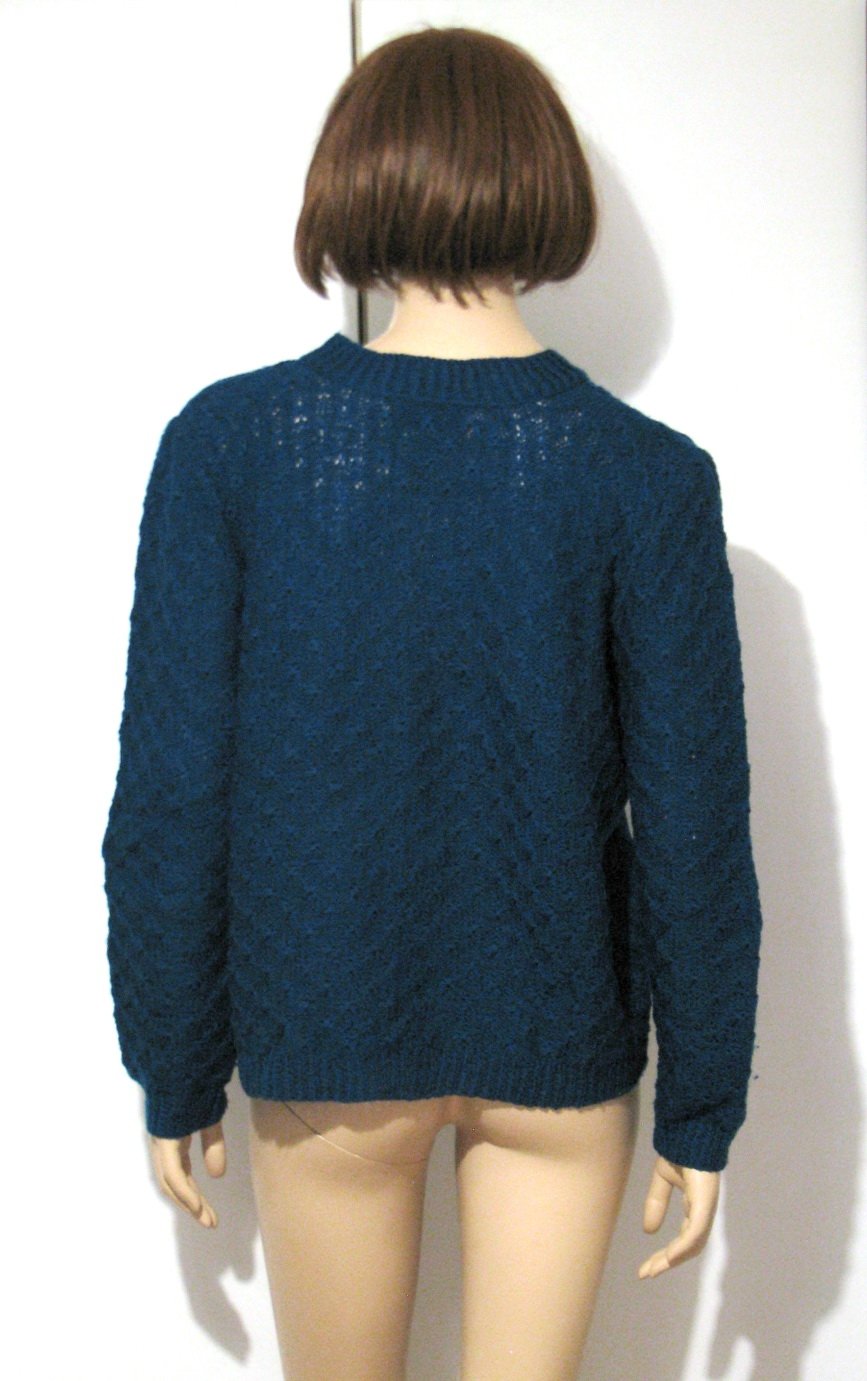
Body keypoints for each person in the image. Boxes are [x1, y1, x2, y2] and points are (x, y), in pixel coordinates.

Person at [101, 23, 764, 1381]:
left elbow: (172, 793)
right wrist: (700, 1107)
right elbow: (695, 823)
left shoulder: (230, 447)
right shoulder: (647, 474)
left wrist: (175, 1060)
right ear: (543, 184)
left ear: (353, 182)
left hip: (326, 1029)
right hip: (561, 1040)